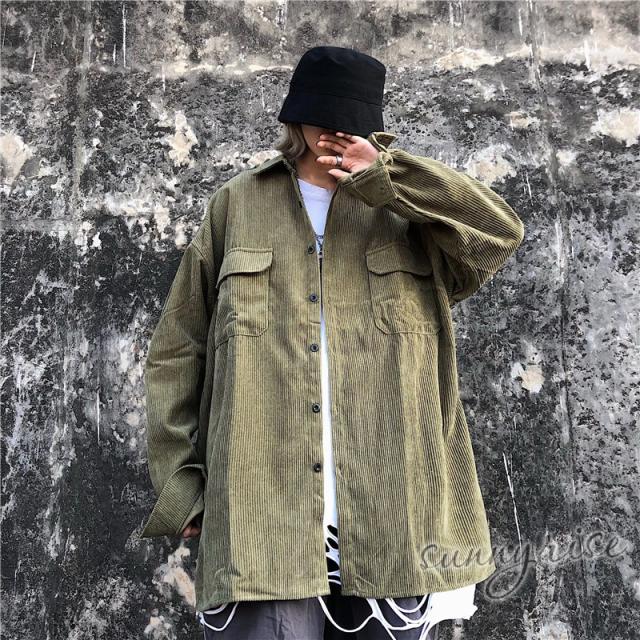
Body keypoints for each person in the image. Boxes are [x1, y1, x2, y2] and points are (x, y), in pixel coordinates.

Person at [139, 46, 525, 640]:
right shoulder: (236, 206)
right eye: (321, 116)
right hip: (261, 516)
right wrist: (180, 481)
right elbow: (176, 350)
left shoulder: (409, 217)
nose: (334, 132)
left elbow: (499, 233)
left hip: (394, 511)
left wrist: (390, 180)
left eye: (350, 121)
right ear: (295, 118)